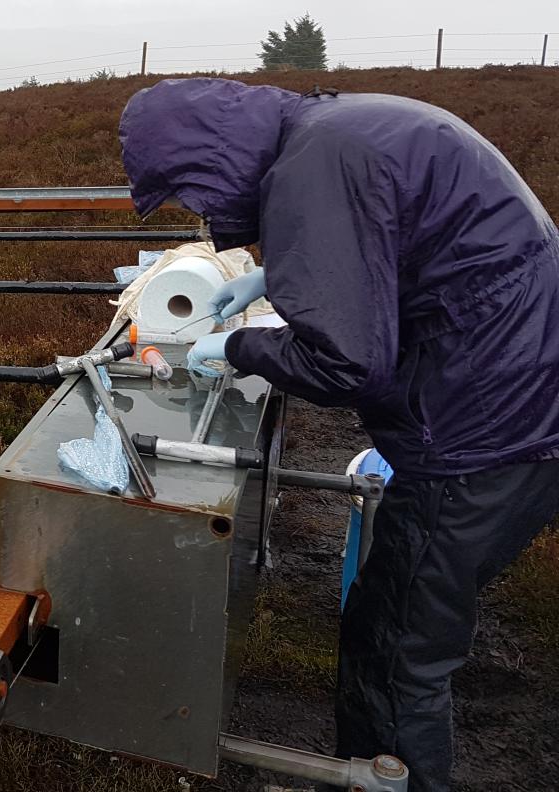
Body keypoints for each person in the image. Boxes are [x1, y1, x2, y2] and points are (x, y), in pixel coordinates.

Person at [118, 77, 559, 792]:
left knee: (395, 648)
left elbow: (346, 362)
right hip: (521, 393)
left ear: (207, 161)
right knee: (395, 621)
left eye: (188, 195)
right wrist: (272, 275)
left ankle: (388, 778)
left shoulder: (312, 166)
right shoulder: (335, 130)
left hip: (484, 436)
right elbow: (399, 238)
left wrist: (238, 347)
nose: (197, 212)